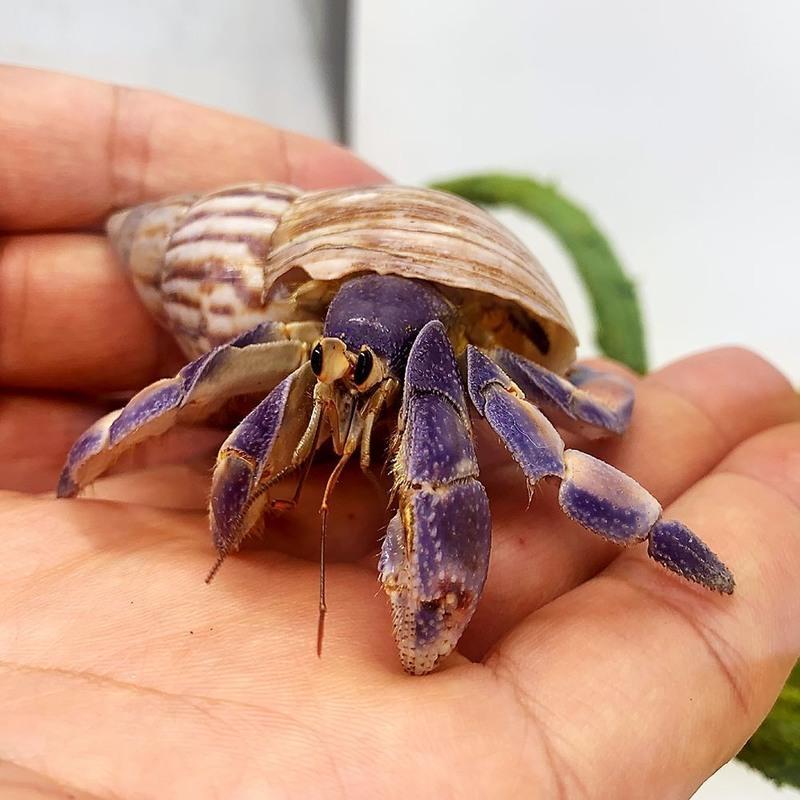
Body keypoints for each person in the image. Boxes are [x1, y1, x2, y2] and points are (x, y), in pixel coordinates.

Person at [1, 66, 798, 800]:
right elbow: (191, 388)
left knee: (544, 456)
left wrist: (600, 412)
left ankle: (643, 538)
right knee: (202, 388)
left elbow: (561, 447)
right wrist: (89, 472)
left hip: (445, 339)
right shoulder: (307, 340)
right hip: (333, 317)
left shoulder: (463, 351)